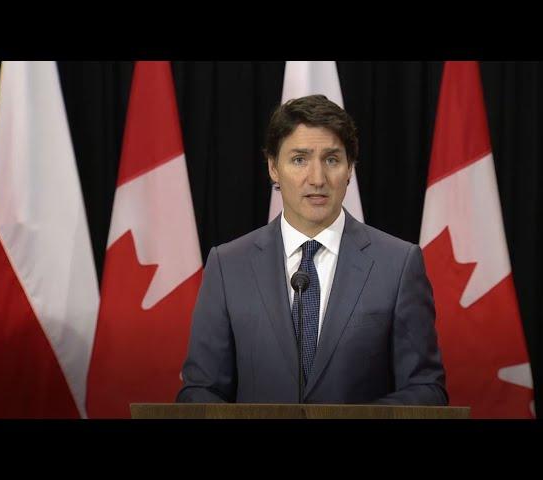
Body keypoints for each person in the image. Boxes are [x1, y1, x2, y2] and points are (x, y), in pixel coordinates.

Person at [177, 94, 447, 405]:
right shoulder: (228, 265)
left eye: (332, 159)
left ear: (349, 169)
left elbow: (427, 390)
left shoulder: (399, 264)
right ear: (273, 168)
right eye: (299, 159)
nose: (317, 179)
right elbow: (200, 391)